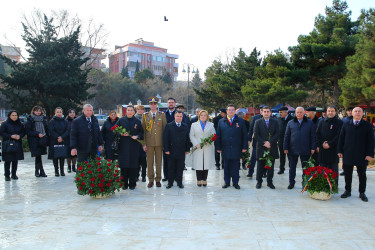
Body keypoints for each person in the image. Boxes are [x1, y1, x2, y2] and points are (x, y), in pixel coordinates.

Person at [338, 107, 374, 202]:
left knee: (362, 174)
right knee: (347, 174)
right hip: (348, 153)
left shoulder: (367, 125)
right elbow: (341, 138)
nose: (357, 113)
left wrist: (370, 154)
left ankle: (362, 192)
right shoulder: (346, 124)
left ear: (362, 114)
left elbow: (371, 141)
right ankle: (347, 191)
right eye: (355, 111)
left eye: (359, 111)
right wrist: (339, 151)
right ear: (352, 113)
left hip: (362, 155)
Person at [284, 107, 316, 189]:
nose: (299, 114)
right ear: (295, 113)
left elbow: (313, 136)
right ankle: (291, 183)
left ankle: (305, 183)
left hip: (305, 149)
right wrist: (285, 147)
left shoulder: (309, 123)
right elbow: (287, 136)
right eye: (297, 112)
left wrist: (313, 147)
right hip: (292, 149)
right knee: (292, 168)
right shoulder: (290, 123)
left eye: (300, 112)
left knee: (305, 168)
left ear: (304, 113)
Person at [216, 104, 248, 189]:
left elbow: (244, 135)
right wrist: (218, 147)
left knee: (236, 166)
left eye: (232, 110)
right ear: (226, 111)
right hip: (225, 147)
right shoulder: (221, 121)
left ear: (235, 111)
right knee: (226, 166)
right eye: (229, 110)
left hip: (237, 147)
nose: (231, 111)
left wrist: (245, 147)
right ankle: (226, 182)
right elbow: (218, 135)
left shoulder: (240, 121)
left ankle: (235, 183)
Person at [142, 96, 167, 188]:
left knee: (159, 162)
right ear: (149, 105)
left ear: (157, 105)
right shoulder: (145, 115)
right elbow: (143, 130)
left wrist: (165, 143)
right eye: (151, 104)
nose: (153, 105)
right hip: (149, 143)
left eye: (155, 104)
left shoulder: (162, 115)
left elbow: (165, 130)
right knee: (149, 162)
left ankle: (158, 179)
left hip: (159, 143)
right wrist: (144, 143)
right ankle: (151, 180)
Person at [116, 105, 144, 190]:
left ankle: (132, 184)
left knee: (133, 165)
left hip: (134, 146)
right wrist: (120, 134)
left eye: (132, 110)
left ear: (134, 112)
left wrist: (137, 136)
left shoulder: (137, 121)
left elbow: (141, 133)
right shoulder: (121, 120)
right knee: (124, 165)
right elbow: (115, 130)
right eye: (128, 110)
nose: (130, 111)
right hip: (123, 146)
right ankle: (124, 184)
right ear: (126, 111)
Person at [254, 106, 280, 189]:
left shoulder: (275, 122)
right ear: (261, 112)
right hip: (261, 147)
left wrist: (270, 142)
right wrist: (264, 143)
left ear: (270, 113)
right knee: (260, 166)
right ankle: (259, 182)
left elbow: (277, 134)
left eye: (268, 111)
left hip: (272, 147)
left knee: (270, 166)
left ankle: (270, 182)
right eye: (264, 111)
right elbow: (256, 134)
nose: (266, 113)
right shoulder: (257, 122)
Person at [163, 111, 190, 189]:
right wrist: (166, 149)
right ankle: (170, 183)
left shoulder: (185, 126)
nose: (179, 118)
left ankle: (179, 182)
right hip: (171, 150)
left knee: (180, 167)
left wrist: (187, 149)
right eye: (177, 116)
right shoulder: (169, 125)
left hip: (181, 150)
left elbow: (187, 139)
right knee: (171, 167)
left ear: (182, 117)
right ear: (174, 117)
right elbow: (165, 138)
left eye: (180, 116)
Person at [190, 110, 215, 187]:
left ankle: (204, 179)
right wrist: (196, 143)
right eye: (201, 115)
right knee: (198, 164)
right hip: (198, 147)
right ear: (199, 116)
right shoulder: (194, 125)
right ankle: (198, 180)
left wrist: (209, 141)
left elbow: (214, 135)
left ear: (207, 117)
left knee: (206, 164)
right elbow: (191, 135)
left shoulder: (211, 125)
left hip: (207, 147)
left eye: (205, 115)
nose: (203, 117)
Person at [316, 106, 343, 178]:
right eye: (329, 111)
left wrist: (330, 144)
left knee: (333, 171)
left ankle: (333, 187)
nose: (330, 112)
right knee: (323, 170)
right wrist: (322, 143)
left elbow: (339, 135)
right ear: (326, 112)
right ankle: (324, 186)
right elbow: (318, 134)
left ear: (335, 112)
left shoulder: (339, 122)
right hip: (323, 150)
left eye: (332, 111)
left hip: (333, 150)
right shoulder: (321, 122)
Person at [0, 111, 25, 181]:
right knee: (8, 160)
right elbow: (2, 133)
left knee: (15, 159)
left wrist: (19, 136)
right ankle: (7, 175)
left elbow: (23, 132)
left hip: (17, 143)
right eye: (13, 115)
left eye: (15, 115)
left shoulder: (20, 124)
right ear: (9, 116)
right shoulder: (5, 124)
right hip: (7, 144)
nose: (14, 116)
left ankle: (14, 174)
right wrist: (11, 136)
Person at [25, 105, 48, 178]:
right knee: (38, 155)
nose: (38, 112)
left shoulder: (43, 119)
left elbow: (46, 129)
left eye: (39, 111)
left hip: (42, 140)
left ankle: (38, 171)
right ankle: (40, 171)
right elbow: (28, 131)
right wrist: (37, 134)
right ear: (33, 111)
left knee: (39, 156)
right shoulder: (30, 120)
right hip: (34, 140)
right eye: (36, 111)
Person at [48, 107, 69, 177]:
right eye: (57, 112)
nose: (59, 113)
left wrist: (62, 137)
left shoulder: (65, 121)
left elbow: (67, 130)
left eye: (60, 112)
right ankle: (56, 171)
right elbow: (51, 131)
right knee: (55, 157)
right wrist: (58, 137)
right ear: (55, 113)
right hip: (54, 141)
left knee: (62, 156)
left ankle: (62, 171)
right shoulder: (52, 121)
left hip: (63, 140)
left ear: (62, 113)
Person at [247, 105, 265, 178]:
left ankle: (264, 172)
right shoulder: (255, 118)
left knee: (264, 157)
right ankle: (250, 172)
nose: (262, 111)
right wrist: (249, 140)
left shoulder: (270, 118)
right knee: (253, 157)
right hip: (256, 142)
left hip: (265, 142)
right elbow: (251, 129)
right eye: (261, 110)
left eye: (263, 110)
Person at [163, 97, 177, 181]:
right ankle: (166, 176)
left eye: (172, 102)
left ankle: (175, 176)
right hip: (166, 140)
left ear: (175, 104)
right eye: (169, 102)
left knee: (176, 159)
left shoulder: (179, 114)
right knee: (166, 159)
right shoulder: (163, 114)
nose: (171, 104)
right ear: (167, 104)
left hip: (176, 140)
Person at [277, 106, 293, 174]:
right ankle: (281, 169)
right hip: (281, 141)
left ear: (286, 112)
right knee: (282, 156)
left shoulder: (292, 119)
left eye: (281, 112)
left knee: (290, 157)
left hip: (290, 142)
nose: (280, 114)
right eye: (279, 112)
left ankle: (291, 169)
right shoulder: (278, 119)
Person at [340, 107, 353, 176]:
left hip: (354, 141)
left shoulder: (356, 119)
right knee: (345, 157)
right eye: (349, 111)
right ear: (347, 112)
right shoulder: (344, 120)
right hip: (345, 141)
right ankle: (345, 170)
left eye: (351, 111)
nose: (350, 112)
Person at [135, 105, 147, 182]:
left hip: (144, 141)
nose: (140, 111)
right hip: (136, 142)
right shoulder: (134, 118)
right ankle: (136, 175)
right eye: (138, 109)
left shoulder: (146, 117)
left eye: (141, 109)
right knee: (136, 161)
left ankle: (143, 176)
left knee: (143, 161)